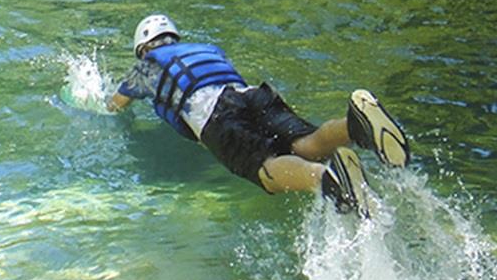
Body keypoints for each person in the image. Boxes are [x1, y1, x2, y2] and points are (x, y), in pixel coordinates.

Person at [107, 14, 411, 216]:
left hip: (213, 112)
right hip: (250, 93)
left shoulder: (148, 64)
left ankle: (328, 180)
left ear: (144, 48)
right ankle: (356, 125)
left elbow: (117, 103)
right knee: (304, 143)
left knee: (264, 170)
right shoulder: (204, 48)